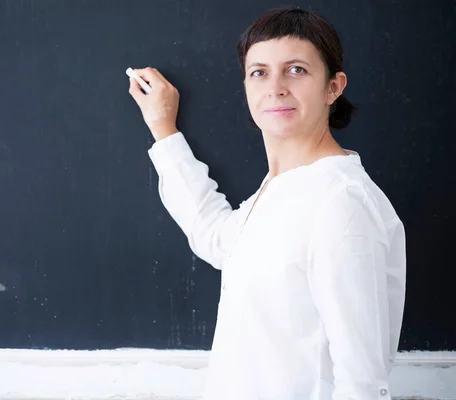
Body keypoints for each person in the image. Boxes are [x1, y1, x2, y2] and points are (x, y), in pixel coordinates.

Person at [128, 6, 406, 400]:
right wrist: (163, 129)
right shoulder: (280, 189)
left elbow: (360, 380)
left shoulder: (340, 203)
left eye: (296, 70)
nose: (275, 87)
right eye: (259, 72)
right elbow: (217, 236)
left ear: (333, 87)